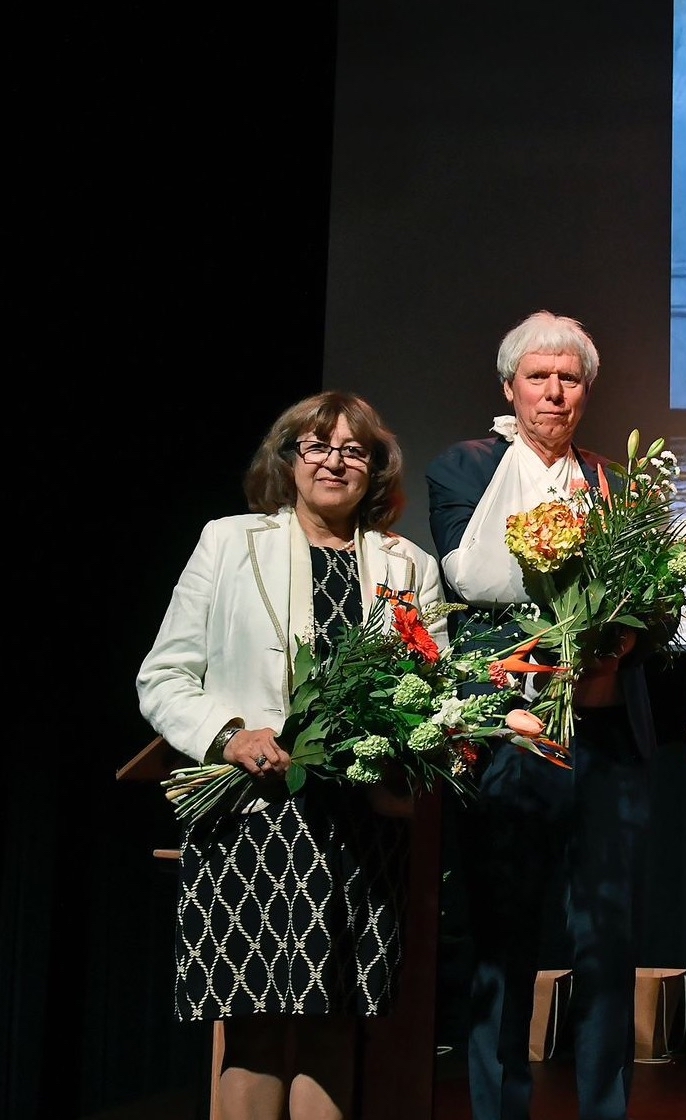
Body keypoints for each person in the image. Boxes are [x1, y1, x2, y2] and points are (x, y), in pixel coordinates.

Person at [137, 391, 444, 1120]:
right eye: (317, 445)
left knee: (335, 1022)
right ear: (289, 459)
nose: (335, 461)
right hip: (252, 818)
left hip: (359, 823)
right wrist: (230, 733)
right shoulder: (229, 542)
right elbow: (164, 674)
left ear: (375, 469)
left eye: (354, 449)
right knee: (253, 1027)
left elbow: (430, 690)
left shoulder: (409, 567)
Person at [426, 311, 652, 1120]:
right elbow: (470, 578)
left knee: (606, 943)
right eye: (538, 376)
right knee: (502, 942)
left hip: (602, 739)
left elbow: (652, 603)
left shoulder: (616, 485)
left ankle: (604, 1110)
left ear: (586, 391)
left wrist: (624, 631)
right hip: (507, 736)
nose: (553, 391)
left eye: (569, 378)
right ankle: (498, 1111)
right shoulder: (465, 468)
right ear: (509, 388)